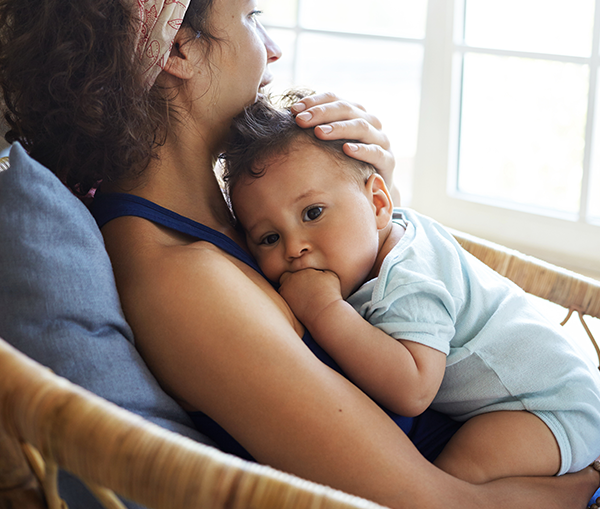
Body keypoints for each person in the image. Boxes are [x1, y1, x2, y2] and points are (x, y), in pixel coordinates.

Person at [1, 0, 599, 506]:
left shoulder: (225, 212)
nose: (274, 50)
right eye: (251, 17)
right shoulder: (182, 281)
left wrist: (371, 207)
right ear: (178, 49)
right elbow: (427, 502)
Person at [222, 96, 600, 486]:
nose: (293, 247)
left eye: (313, 213)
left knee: (454, 478)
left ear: (379, 203)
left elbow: (414, 390)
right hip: (552, 388)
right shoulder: (377, 240)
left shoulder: (408, 280)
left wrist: (324, 310)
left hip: (551, 407)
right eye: (268, 237)